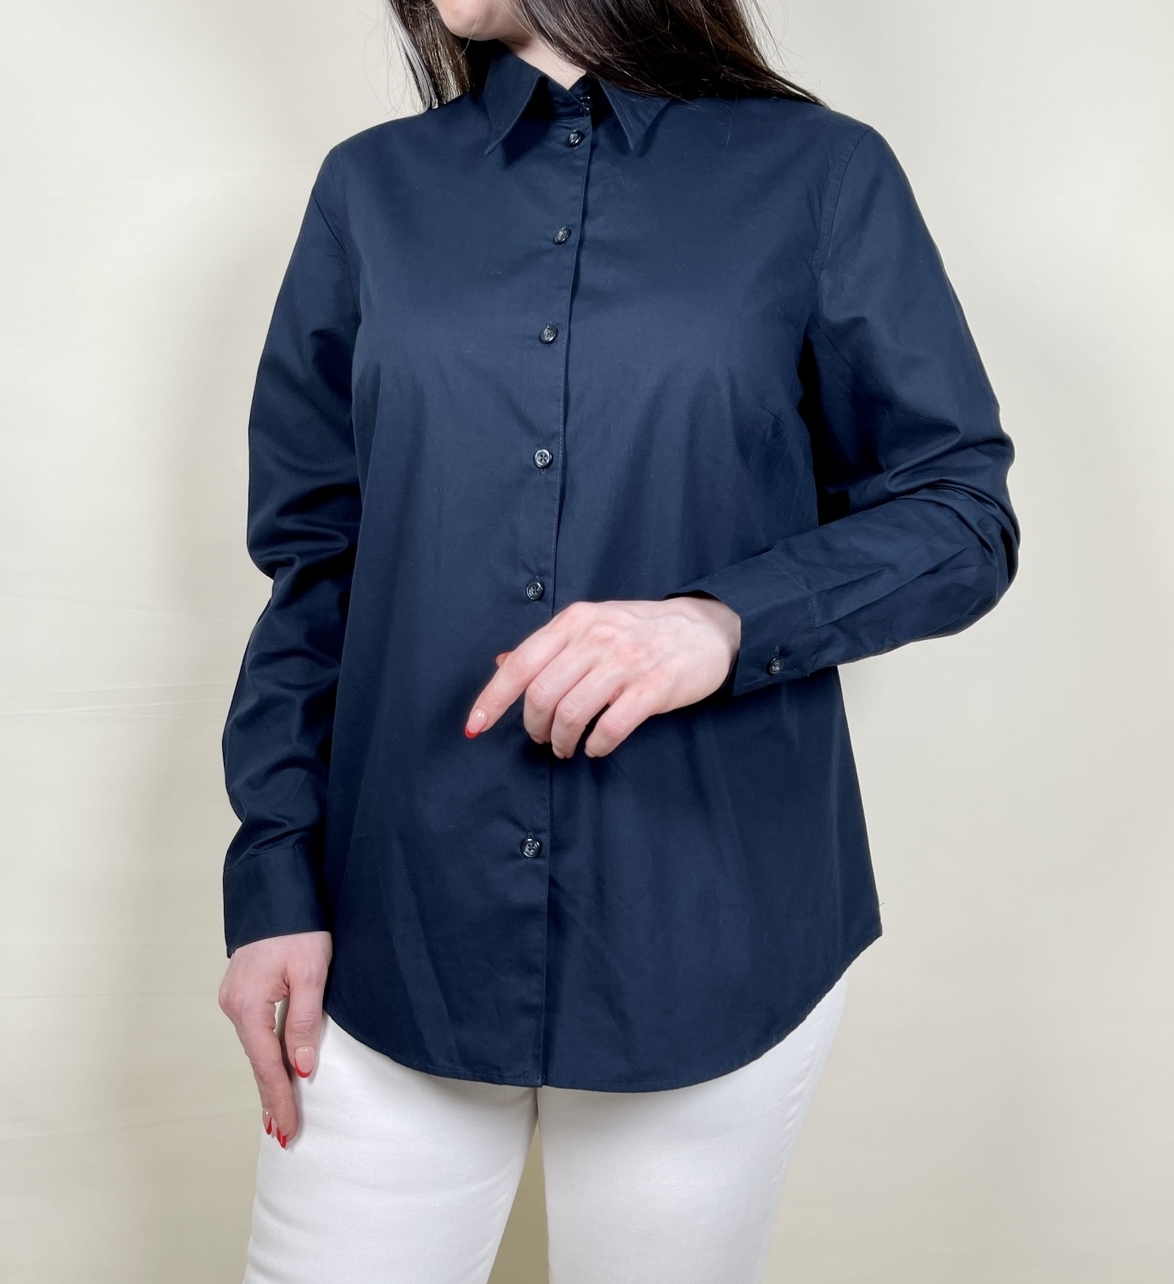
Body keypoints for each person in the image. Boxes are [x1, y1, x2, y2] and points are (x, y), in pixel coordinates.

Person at [216, 0, 1020, 1280]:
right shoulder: (370, 191)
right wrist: (272, 884)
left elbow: (962, 514)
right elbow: (315, 564)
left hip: (707, 927)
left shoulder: (820, 174)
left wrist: (722, 623)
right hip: (395, 926)